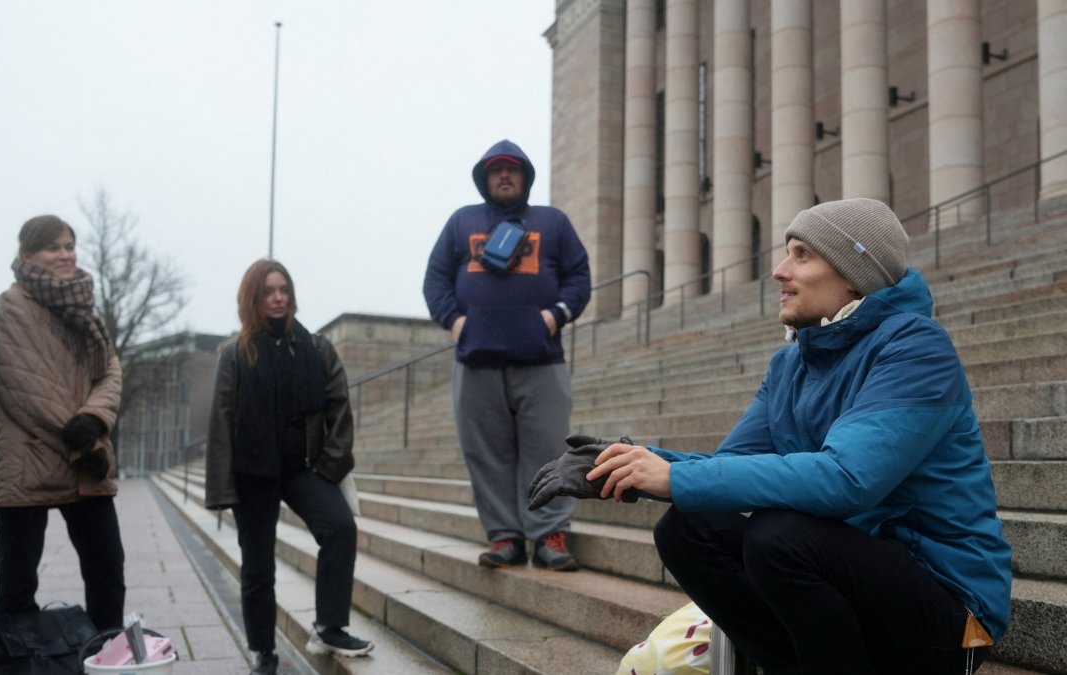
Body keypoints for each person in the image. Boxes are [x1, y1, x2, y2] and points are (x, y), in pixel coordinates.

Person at [529, 198, 1012, 674]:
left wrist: (671, 476)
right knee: (688, 526)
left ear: (852, 274)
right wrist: (634, 465)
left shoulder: (916, 349)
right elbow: (731, 463)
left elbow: (848, 479)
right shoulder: (791, 363)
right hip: (855, 586)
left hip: (947, 612)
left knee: (778, 537)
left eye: (802, 255)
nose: (779, 270)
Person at [423, 139, 591, 571]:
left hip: (541, 358)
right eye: (495, 169)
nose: (504, 175)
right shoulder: (462, 222)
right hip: (475, 360)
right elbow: (436, 279)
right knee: (486, 452)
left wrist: (555, 316)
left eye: (512, 169)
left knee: (548, 449)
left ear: (525, 177)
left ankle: (550, 534)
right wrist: (457, 323)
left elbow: (578, 276)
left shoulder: (552, 222)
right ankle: (504, 536)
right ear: (483, 177)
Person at [206, 259, 372, 675]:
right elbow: (222, 421)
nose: (278, 298)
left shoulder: (316, 348)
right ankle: (263, 650)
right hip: (252, 473)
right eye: (268, 291)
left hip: (303, 468)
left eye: (284, 289)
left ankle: (330, 626)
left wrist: (329, 468)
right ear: (253, 299)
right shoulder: (235, 355)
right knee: (258, 565)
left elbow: (340, 410)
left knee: (339, 527)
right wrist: (222, 489)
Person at [0, 215, 125, 633]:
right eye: (52, 247)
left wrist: (95, 417)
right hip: (30, 456)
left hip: (85, 455)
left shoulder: (83, 308)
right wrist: (85, 442)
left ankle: (103, 653)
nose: (64, 254)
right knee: (18, 580)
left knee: (107, 570)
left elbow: (111, 371)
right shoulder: (12, 305)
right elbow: (25, 388)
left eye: (69, 246)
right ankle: (12, 661)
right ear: (27, 255)